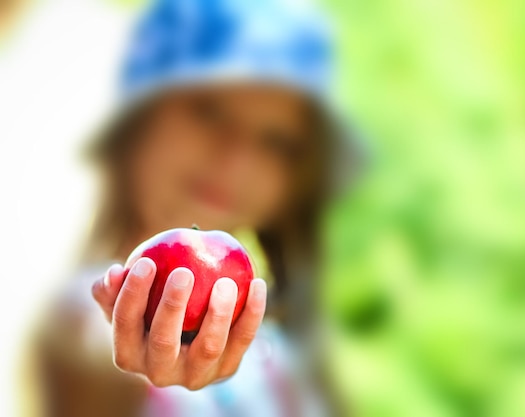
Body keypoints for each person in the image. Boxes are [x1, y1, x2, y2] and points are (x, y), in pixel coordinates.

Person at [31, 0, 358, 416]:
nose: (235, 159)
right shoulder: (78, 309)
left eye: (276, 141)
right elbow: (84, 344)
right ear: (139, 118)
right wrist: (140, 343)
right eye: (210, 110)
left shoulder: (284, 346)